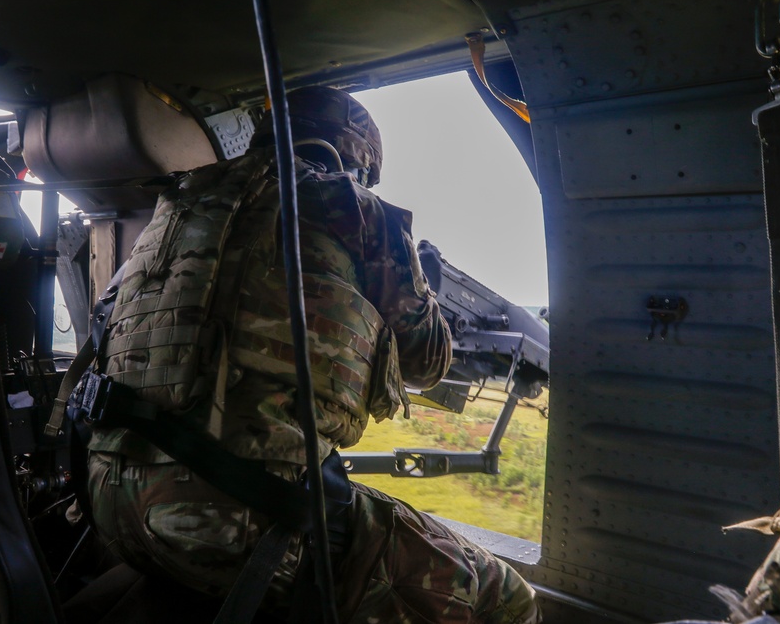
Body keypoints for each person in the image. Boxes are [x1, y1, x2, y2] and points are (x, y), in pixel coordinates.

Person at [84, 86, 540, 623]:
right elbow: (427, 364)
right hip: (235, 522)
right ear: (358, 159)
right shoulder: (357, 208)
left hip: (109, 502)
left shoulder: (178, 206)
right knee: (506, 598)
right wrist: (424, 287)